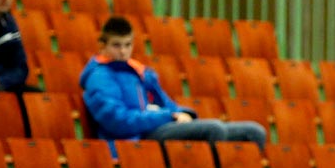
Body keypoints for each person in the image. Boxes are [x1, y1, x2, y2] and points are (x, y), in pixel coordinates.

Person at [80, 16, 268, 148]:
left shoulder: (140, 72)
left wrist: (181, 113)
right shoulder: (99, 77)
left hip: (158, 127)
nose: (123, 52)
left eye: (128, 45)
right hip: (136, 139)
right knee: (213, 130)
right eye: (116, 45)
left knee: (254, 132)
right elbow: (118, 122)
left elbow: (167, 104)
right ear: (102, 46)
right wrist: (168, 116)